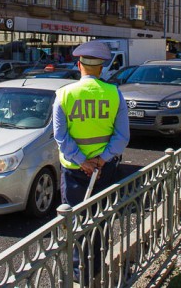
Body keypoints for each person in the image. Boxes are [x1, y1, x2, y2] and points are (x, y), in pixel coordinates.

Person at [52, 41, 130, 283]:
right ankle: (97, 267)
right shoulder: (114, 93)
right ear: (102, 68)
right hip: (104, 170)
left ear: (79, 66)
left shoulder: (64, 94)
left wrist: (81, 160)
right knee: (101, 218)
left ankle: (79, 274)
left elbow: (60, 136)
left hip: (74, 171)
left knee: (75, 221)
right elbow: (122, 136)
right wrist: (101, 159)